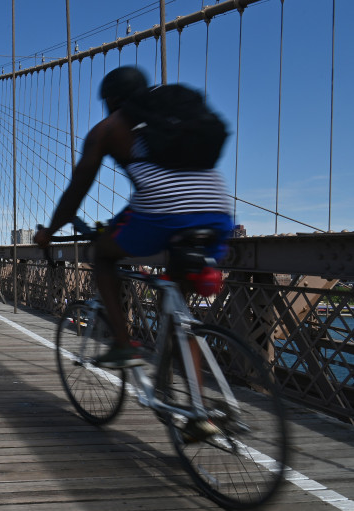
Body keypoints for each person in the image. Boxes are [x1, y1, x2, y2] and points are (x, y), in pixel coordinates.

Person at [34, 66, 233, 370]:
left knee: (102, 255)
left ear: (111, 99)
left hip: (162, 208)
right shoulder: (170, 114)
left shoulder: (108, 129)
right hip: (217, 208)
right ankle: (200, 410)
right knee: (180, 316)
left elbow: (76, 191)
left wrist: (48, 231)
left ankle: (124, 346)